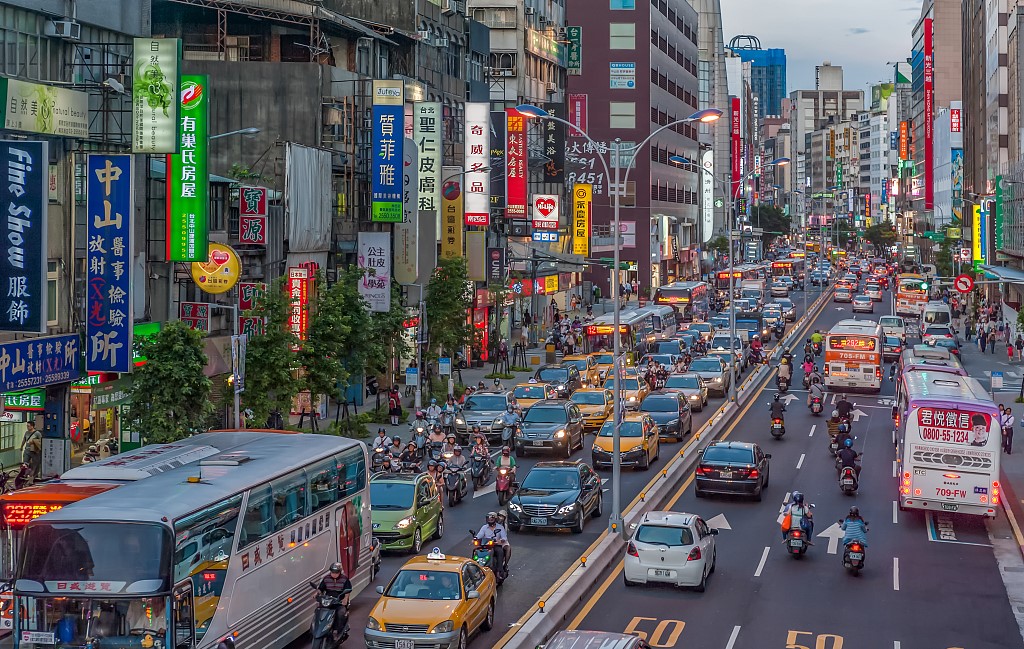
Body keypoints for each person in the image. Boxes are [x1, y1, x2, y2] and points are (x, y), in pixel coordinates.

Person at [315, 562, 352, 639]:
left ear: (340, 572)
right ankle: (317, 628)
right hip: (328, 600)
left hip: (339, 601)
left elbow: (348, 591)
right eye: (332, 572)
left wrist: (345, 599)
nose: (334, 574)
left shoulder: (344, 579)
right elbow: (321, 588)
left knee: (340, 613)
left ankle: (337, 630)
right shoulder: (326, 578)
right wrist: (316, 593)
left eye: (336, 573)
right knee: (318, 610)